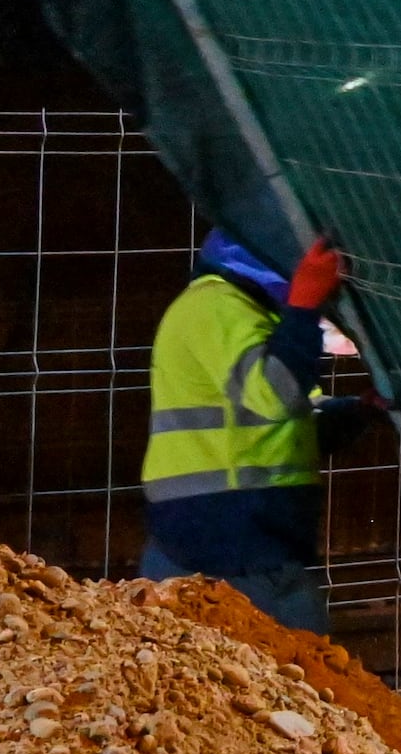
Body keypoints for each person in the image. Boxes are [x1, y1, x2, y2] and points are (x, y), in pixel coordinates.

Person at [139, 224, 353, 633]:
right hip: (231, 536)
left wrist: (358, 412)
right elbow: (276, 395)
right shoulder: (216, 307)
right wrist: (304, 306)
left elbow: (288, 420)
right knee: (300, 670)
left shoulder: (237, 310)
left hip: (224, 528)